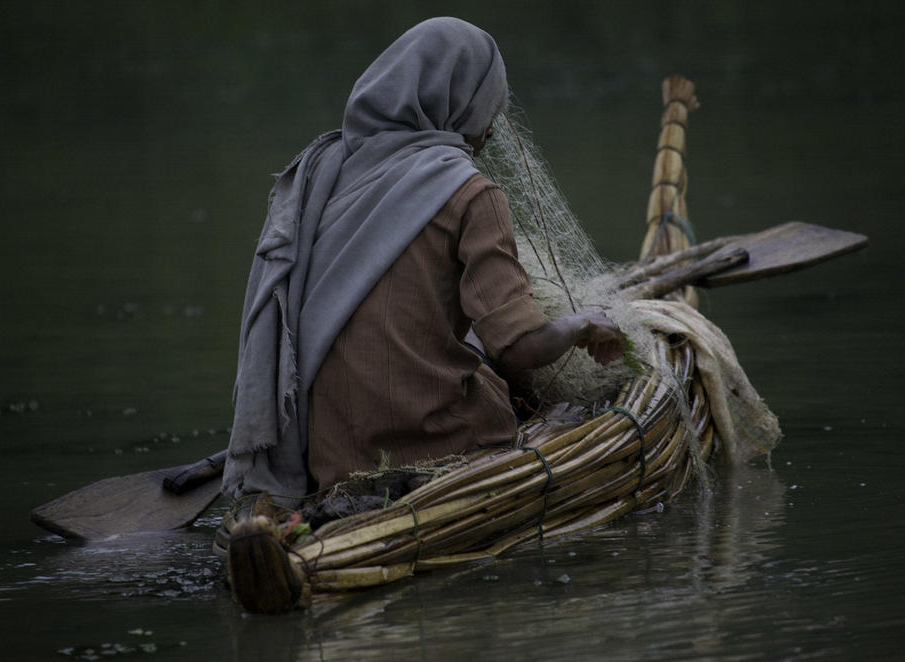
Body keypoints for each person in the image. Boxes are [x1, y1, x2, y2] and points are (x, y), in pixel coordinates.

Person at [222, 17, 625, 507]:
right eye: (487, 110)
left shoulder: (326, 175)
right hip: (432, 442)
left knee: (470, 344)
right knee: (518, 392)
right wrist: (581, 324)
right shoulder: (470, 191)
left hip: (330, 455)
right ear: (459, 104)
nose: (492, 128)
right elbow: (519, 347)